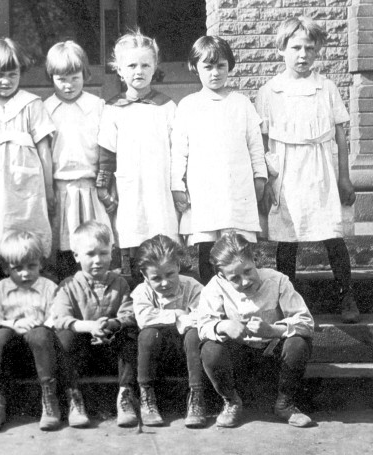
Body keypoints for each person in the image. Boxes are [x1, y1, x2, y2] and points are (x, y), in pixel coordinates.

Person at [256, 16, 360, 323]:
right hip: (286, 172)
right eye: (296, 48)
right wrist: (266, 181)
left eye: (309, 48)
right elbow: (261, 142)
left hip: (320, 169)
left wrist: (344, 177)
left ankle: (346, 295)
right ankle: (286, 300)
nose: (303, 55)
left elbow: (340, 137)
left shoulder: (325, 88)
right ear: (281, 49)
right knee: (288, 238)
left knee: (332, 234)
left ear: (317, 51)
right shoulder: (270, 91)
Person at [171, 36, 266, 284]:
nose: (215, 73)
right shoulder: (188, 105)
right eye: (208, 67)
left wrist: (260, 176)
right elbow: (179, 150)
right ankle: (210, 296)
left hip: (236, 188)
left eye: (220, 66)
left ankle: (239, 293)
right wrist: (177, 185)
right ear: (195, 67)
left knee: (235, 247)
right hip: (204, 189)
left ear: (229, 66)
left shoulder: (241, 104)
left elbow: (255, 145)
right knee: (208, 248)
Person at [195, 232, 315, 428]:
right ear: (222, 276)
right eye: (234, 278)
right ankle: (231, 401)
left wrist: (273, 330)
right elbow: (202, 326)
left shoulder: (278, 281)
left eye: (248, 271)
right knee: (210, 348)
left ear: (255, 260)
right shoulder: (215, 287)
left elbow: (306, 322)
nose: (245, 281)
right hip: (239, 359)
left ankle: (285, 403)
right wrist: (224, 325)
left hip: (273, 357)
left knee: (298, 343)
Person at [97, 31, 179, 279]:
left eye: (145, 65)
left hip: (159, 184)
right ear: (119, 70)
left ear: (155, 68)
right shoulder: (113, 109)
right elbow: (106, 153)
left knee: (160, 229)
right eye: (131, 66)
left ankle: (164, 283)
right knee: (132, 229)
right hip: (129, 185)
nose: (139, 71)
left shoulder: (166, 107)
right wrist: (103, 187)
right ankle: (134, 286)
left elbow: (178, 149)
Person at [0, 38, 55, 273]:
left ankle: (33, 275)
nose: (6, 81)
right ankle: (0, 279)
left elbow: (44, 149)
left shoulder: (31, 104)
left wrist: (49, 187)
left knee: (29, 227)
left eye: (12, 74)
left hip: (28, 183)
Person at [51, 221, 138, 428]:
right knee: (64, 336)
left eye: (103, 253)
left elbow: (129, 314)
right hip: (81, 353)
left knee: (129, 334)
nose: (98, 260)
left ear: (112, 253)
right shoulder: (68, 285)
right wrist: (90, 326)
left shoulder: (120, 283)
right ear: (76, 256)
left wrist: (110, 324)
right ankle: (74, 397)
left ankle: (125, 395)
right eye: (90, 254)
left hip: (111, 351)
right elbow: (60, 318)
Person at [0, 230, 62, 432]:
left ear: (41, 264)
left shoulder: (49, 288)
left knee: (40, 334)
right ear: (5, 268)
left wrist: (38, 326)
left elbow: (55, 316)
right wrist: (14, 324)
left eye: (31, 266)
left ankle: (49, 398)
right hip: (11, 352)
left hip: (41, 351)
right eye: (17, 268)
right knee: (0, 335)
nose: (25, 273)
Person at [43, 40, 109, 281]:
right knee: (65, 244)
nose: (68, 85)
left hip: (90, 186)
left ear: (85, 74)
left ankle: (95, 289)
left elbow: (105, 147)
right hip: (61, 187)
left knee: (93, 243)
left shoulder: (96, 105)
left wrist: (104, 183)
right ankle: (68, 289)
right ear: (51, 77)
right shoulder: (46, 108)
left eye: (74, 78)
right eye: (61, 79)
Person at [132, 234, 205, 428]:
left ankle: (196, 395)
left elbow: (203, 316)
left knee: (194, 334)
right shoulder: (142, 291)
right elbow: (144, 318)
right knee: (148, 334)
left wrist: (172, 318)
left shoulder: (192, 287)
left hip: (188, 354)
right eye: (156, 278)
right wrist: (177, 314)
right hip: (157, 355)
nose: (164, 283)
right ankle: (147, 394)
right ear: (145, 276)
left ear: (178, 266)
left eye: (170, 274)